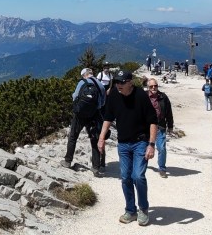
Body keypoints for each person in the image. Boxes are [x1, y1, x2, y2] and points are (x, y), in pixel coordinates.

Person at [97, 70, 157, 227]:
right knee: (125, 177)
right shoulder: (114, 95)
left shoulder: (141, 96)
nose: (118, 85)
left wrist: (151, 145)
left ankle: (143, 209)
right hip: (123, 144)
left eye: (122, 82)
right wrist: (101, 138)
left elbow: (152, 120)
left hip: (140, 142)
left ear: (130, 82)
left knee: (138, 176)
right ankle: (131, 210)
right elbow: (108, 117)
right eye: (116, 81)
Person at [61, 68, 106, 176]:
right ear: (91, 74)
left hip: (80, 115)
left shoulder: (82, 82)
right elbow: (103, 102)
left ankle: (68, 161)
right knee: (94, 139)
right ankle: (96, 167)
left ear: (84, 75)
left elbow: (75, 96)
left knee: (73, 136)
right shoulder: (100, 85)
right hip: (93, 115)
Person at [146, 78, 174, 178]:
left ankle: (162, 168)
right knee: (142, 147)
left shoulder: (163, 97)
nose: (154, 88)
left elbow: (169, 112)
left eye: (155, 86)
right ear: (148, 87)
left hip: (160, 126)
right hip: (145, 127)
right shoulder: (144, 96)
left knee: (162, 148)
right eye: (151, 86)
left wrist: (170, 126)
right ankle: (141, 166)